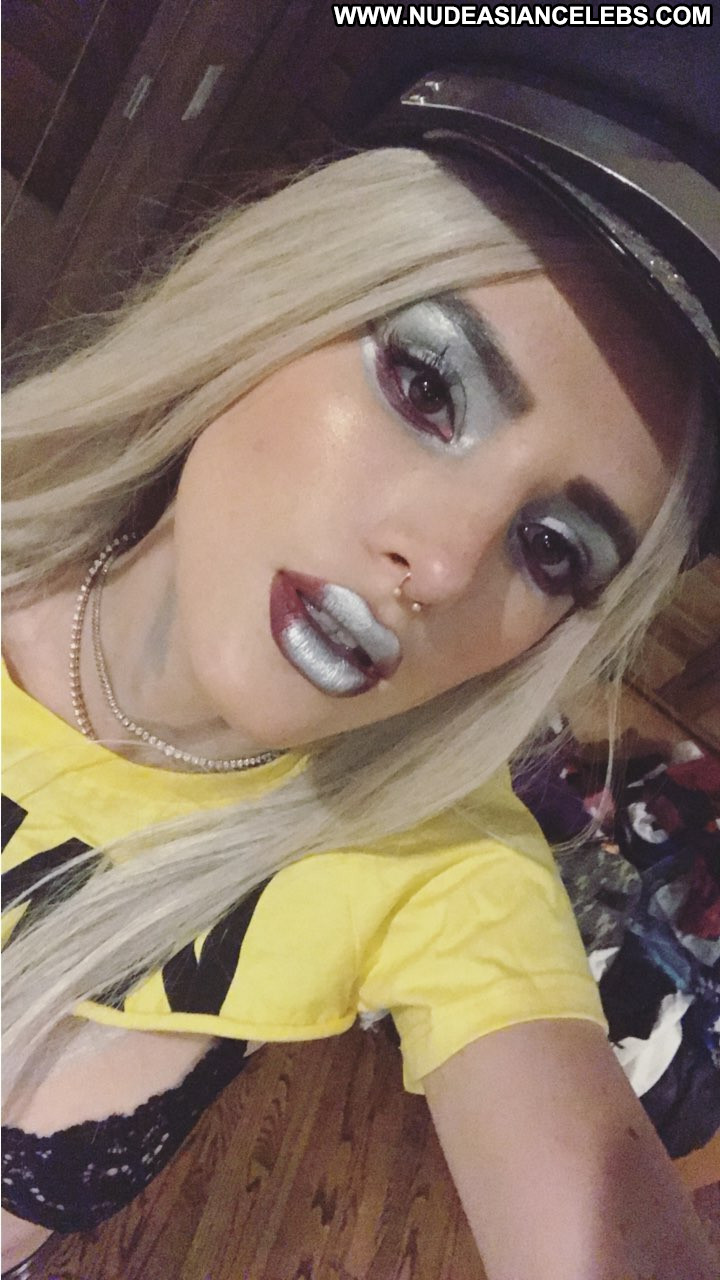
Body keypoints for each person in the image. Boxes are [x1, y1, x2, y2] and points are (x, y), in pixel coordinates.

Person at [2, 128, 718, 1280]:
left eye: (549, 548)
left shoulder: (437, 872)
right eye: (428, 388)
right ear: (271, 297)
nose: (441, 563)